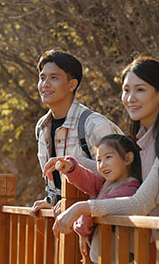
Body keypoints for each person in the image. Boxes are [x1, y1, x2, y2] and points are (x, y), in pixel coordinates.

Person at [52, 56, 159, 262]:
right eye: (126, 90)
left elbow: (140, 202)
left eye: (140, 90)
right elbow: (120, 169)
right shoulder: (149, 134)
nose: (130, 98)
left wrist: (83, 207)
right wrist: (71, 164)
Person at [29, 49, 124, 219]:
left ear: (72, 85)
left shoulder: (94, 125)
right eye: (42, 78)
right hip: (66, 224)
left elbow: (124, 176)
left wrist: (81, 204)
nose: (45, 84)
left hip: (98, 224)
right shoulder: (41, 127)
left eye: (54, 78)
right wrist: (53, 200)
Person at [43, 134, 141, 263]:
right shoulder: (108, 184)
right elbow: (88, 180)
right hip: (104, 256)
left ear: (128, 158)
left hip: (120, 257)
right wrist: (71, 168)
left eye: (108, 157)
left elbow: (96, 205)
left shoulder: (129, 188)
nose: (102, 164)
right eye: (99, 160)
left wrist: (82, 230)